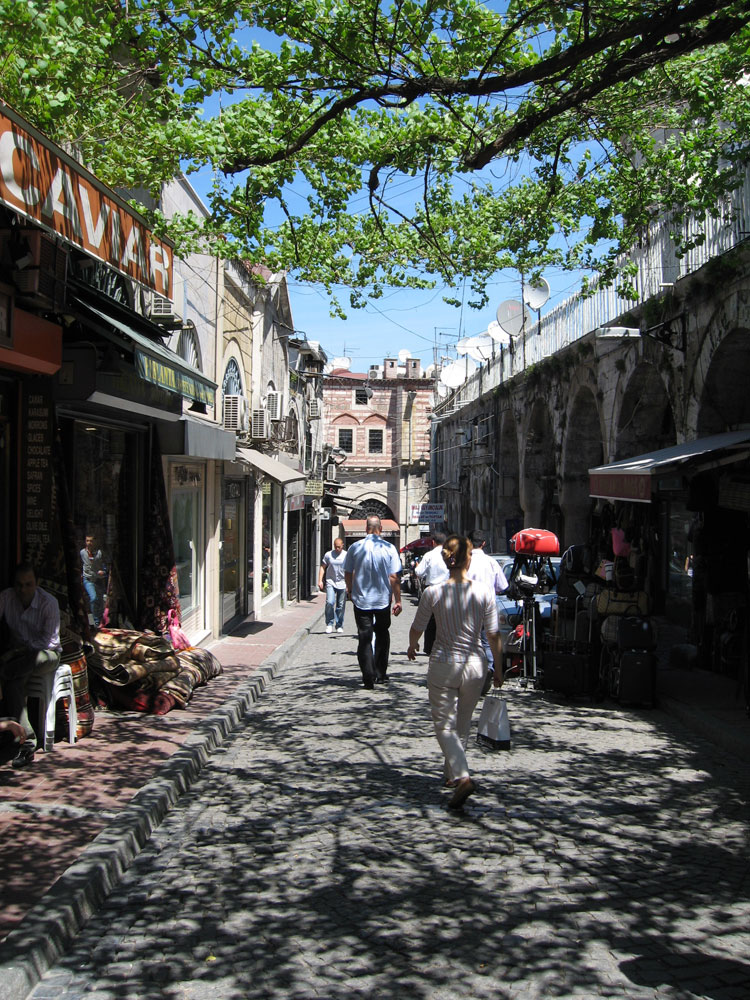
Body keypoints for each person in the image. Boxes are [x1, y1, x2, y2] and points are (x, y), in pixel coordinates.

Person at [408, 535, 503, 809]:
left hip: (443, 663)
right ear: (469, 559)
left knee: (443, 724)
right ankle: (451, 774)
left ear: (444, 559)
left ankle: (462, 777)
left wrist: (413, 645)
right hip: (475, 665)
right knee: (462, 721)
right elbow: (493, 635)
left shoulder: (433, 593)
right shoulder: (484, 592)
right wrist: (498, 667)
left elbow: (418, 626)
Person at [0, 563, 62, 768]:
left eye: (28, 584)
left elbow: (50, 642)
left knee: (30, 660)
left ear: (36, 584)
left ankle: (5, 672)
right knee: (13, 682)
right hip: (18, 659)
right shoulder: (6, 598)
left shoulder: (48, 603)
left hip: (46, 654)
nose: (23, 590)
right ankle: (28, 742)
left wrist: (19, 651)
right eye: (19, 585)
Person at [344, 515, 402, 688]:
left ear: (366, 528)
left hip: (361, 599)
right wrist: (398, 600)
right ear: (381, 529)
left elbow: (347, 571)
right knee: (383, 634)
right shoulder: (390, 548)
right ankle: (381, 673)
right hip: (383, 599)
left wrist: (350, 589)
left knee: (364, 637)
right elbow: (394, 576)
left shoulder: (355, 547)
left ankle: (367, 675)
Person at [467, 529, 509, 691]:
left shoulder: (466, 561)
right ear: (484, 544)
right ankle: (490, 669)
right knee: (488, 641)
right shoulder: (491, 563)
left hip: (469, 609)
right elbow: (502, 586)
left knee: (470, 642)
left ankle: (472, 672)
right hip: (488, 608)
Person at [414, 530, 449, 654]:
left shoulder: (429, 555)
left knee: (430, 620)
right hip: (448, 590)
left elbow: (418, 572)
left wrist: (417, 565)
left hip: (432, 590)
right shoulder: (450, 554)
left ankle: (429, 647)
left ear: (433, 542)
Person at [318, 537, 347, 634]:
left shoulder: (346, 555)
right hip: (330, 581)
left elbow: (350, 570)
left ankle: (339, 624)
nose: (337, 549)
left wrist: (350, 584)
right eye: (335, 547)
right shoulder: (328, 555)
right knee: (330, 602)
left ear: (342, 545)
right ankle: (329, 623)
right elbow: (323, 567)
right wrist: (320, 580)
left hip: (342, 582)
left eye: (339, 547)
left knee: (340, 605)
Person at [80, 533, 107, 627]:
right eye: (87, 541)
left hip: (98, 580)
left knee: (100, 601)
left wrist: (103, 571)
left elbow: (106, 566)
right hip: (88, 580)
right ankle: (96, 622)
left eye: (91, 541)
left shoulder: (100, 553)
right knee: (93, 598)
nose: (89, 543)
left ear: (95, 541)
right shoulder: (82, 553)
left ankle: (100, 620)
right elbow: (80, 565)